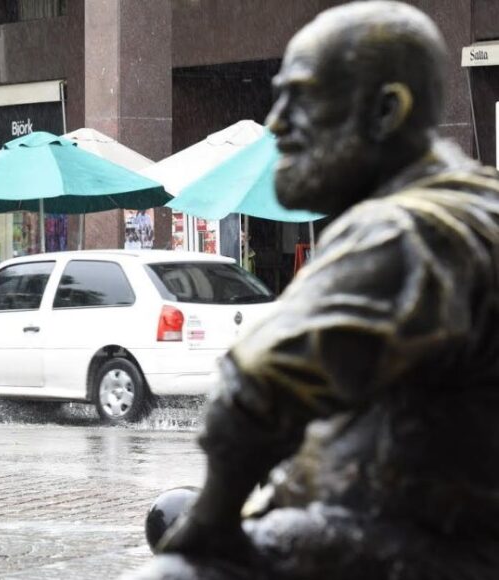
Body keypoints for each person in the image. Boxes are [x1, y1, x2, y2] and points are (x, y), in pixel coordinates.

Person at [148, 2, 499, 579]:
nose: (276, 122)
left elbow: (255, 386)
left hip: (419, 546)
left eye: (301, 98)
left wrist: (212, 522)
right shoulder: (473, 206)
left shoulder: (405, 230)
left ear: (386, 112)